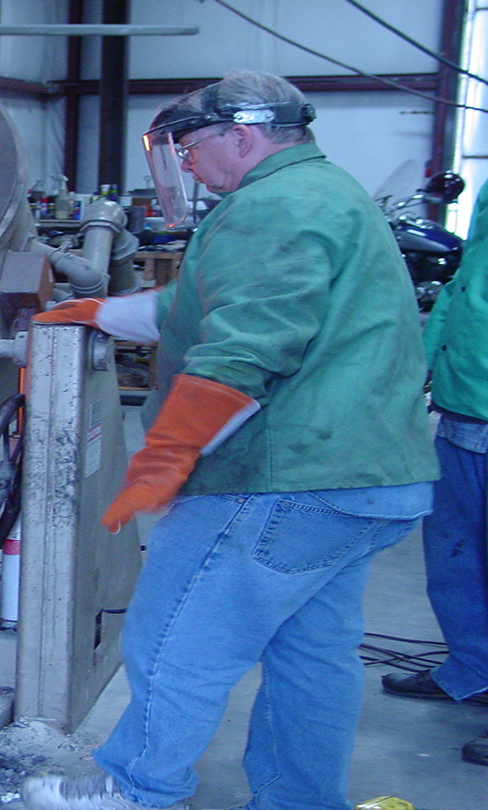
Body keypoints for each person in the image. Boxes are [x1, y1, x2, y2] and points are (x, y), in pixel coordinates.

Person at [23, 69, 440, 810]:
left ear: (239, 137)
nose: (185, 163)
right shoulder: (325, 193)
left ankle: (136, 788)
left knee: (176, 639)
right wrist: (96, 310)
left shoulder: (271, 207)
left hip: (284, 479)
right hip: (367, 481)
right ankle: (302, 801)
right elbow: (197, 306)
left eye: (190, 147)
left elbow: (247, 350)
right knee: (310, 654)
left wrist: (166, 455)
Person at [380, 178, 488, 767]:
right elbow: (466, 286)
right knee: (456, 558)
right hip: (464, 403)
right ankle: (473, 671)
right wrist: (425, 365)